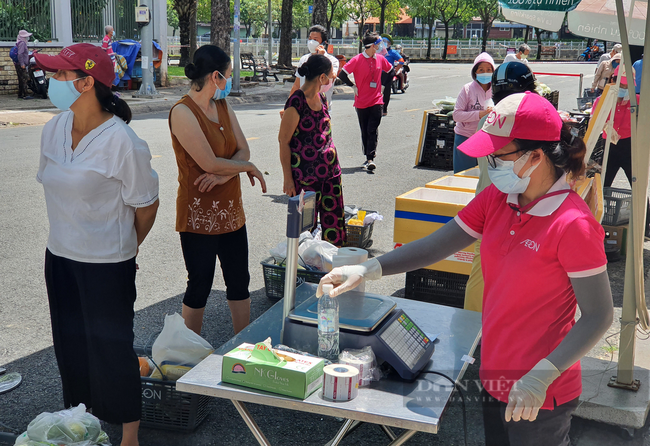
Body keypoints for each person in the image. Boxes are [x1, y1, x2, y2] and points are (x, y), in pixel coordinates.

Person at [318, 91, 613, 446]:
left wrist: (541, 376)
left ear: (535, 156)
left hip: (542, 389)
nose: (490, 163)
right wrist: (368, 269)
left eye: (498, 155)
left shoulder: (573, 225)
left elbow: (599, 316)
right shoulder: (498, 199)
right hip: (495, 374)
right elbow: (438, 245)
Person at [34, 43, 160, 446]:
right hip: (61, 258)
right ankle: (81, 421)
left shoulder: (123, 142)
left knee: (112, 350)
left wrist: (128, 246)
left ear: (87, 83)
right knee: (70, 346)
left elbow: (146, 205)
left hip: (107, 264)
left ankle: (129, 434)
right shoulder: (53, 128)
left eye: (60, 76)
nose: (51, 82)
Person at [168, 45, 267, 336]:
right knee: (200, 283)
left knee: (239, 279)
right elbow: (209, 162)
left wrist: (225, 177)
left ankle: (244, 342)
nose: (229, 81)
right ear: (215, 76)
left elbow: (242, 149)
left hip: (231, 211)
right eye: (227, 75)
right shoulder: (182, 112)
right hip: (198, 215)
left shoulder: (223, 105)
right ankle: (190, 353)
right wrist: (244, 167)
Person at [463, 60, 537, 312]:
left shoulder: (491, 120)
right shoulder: (527, 122)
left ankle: (471, 335)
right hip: (518, 211)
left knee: (481, 271)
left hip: (486, 206)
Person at [278, 55, 346, 246]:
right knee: (304, 229)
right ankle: (304, 271)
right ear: (322, 78)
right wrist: (288, 179)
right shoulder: (296, 103)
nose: (332, 80)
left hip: (331, 175)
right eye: (331, 76)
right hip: (305, 178)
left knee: (334, 225)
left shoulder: (322, 97)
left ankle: (331, 265)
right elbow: (283, 141)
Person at [338, 32, 393, 172]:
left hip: (377, 101)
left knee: (372, 129)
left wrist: (384, 86)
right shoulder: (357, 60)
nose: (380, 47)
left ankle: (370, 159)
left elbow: (391, 71)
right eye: (378, 45)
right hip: (361, 101)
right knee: (364, 130)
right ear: (371, 46)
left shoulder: (380, 59)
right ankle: (367, 156)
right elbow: (342, 74)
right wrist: (352, 86)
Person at [452, 52, 495, 173]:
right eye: (481, 70)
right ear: (475, 72)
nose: (485, 73)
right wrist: (480, 115)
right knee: (464, 175)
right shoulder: (467, 89)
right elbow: (456, 115)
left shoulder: (497, 90)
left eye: (488, 69)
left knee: (485, 177)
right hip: (466, 137)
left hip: (488, 138)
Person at [288, 25, 339, 111]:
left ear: (323, 42)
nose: (311, 42)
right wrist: (289, 105)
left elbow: (331, 78)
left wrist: (321, 58)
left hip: (322, 107)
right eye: (310, 38)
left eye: (315, 40)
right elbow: (297, 85)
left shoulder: (332, 61)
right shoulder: (304, 59)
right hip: (302, 105)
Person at [380, 34, 404, 116]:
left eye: (385, 42)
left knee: (386, 92)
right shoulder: (378, 52)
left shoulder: (392, 52)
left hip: (388, 74)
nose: (384, 44)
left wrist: (395, 70)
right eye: (382, 42)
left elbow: (401, 61)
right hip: (378, 74)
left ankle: (384, 109)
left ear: (389, 44)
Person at [13, 30, 33, 99]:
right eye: (26, 37)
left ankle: (20, 94)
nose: (27, 38)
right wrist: (22, 64)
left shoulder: (19, 42)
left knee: (21, 79)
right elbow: (20, 54)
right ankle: (25, 95)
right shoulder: (22, 43)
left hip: (18, 64)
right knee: (24, 79)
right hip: (21, 64)